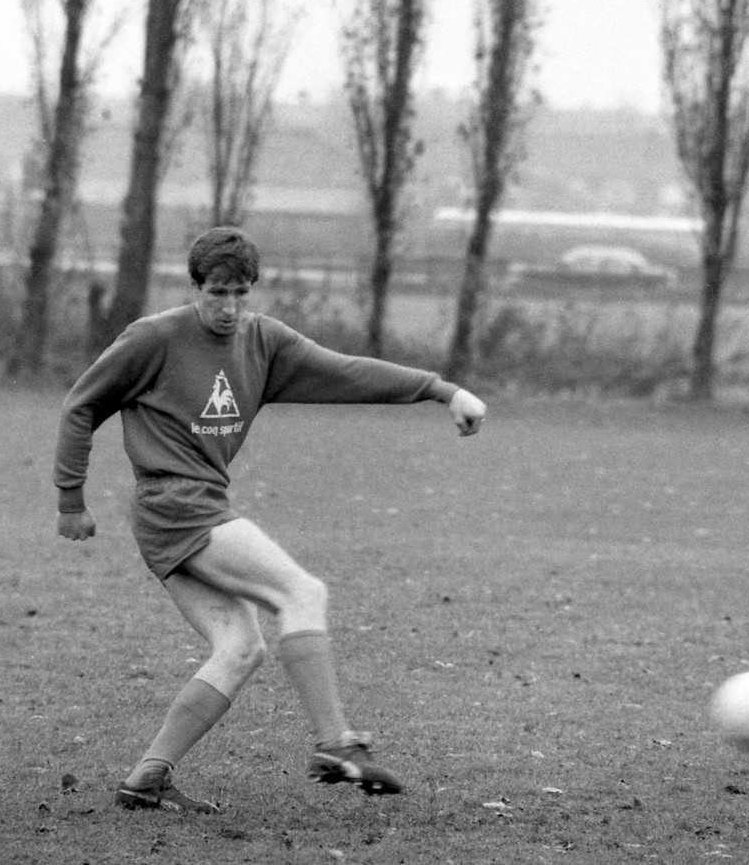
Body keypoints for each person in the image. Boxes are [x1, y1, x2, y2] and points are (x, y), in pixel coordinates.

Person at [54, 226, 487, 813]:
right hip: (175, 505)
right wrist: (71, 499)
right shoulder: (152, 339)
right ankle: (335, 744)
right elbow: (81, 405)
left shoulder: (265, 343)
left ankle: (146, 778)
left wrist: (441, 390)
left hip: (189, 511)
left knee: (239, 648)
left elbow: (349, 372)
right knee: (302, 591)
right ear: (195, 287)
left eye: (240, 293)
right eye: (217, 294)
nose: (229, 308)